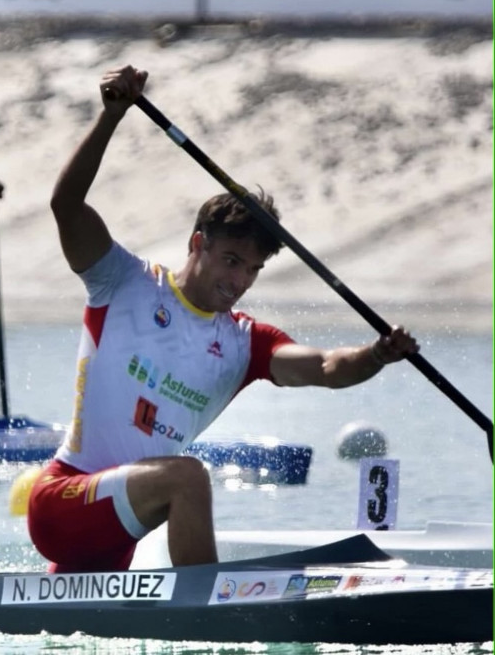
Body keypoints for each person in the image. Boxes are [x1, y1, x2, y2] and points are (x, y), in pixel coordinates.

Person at [26, 66, 420, 573]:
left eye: (253, 270)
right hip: (63, 499)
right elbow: (66, 204)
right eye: (232, 261)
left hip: (117, 530)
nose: (240, 281)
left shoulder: (244, 343)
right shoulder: (122, 281)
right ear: (198, 244)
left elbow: (325, 367)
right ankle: (205, 602)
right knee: (188, 477)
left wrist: (376, 355)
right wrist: (111, 117)